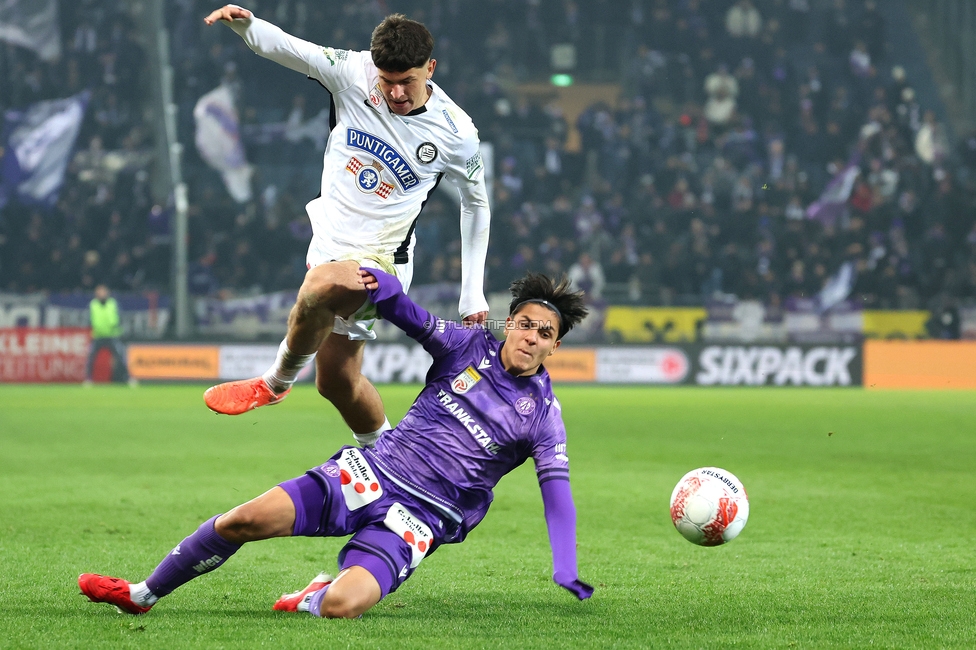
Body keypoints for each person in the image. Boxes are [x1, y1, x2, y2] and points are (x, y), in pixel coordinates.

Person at [79, 267, 593, 618]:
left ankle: (312, 595)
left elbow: (559, 497)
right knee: (243, 521)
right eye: (525, 323)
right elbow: (414, 319)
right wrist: (387, 289)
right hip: (373, 471)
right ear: (510, 325)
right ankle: (143, 594)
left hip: (422, 519)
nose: (530, 336)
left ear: (555, 345)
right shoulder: (467, 345)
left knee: (343, 608)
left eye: (544, 332)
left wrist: (565, 562)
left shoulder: (544, 416)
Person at [200, 6, 491, 449]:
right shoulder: (352, 72)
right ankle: (392, 461)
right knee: (336, 381)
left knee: (319, 287)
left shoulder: (456, 132)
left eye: (407, 82)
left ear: (430, 68)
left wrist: (472, 293)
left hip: (383, 259)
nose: (395, 92)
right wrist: (248, 26)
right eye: (386, 81)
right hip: (329, 241)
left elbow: (476, 205)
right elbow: (290, 49)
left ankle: (274, 383)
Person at [83, 284, 133, 386]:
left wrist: (118, 328)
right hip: (98, 336)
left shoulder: (113, 304)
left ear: (107, 293)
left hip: (112, 335)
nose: (101, 294)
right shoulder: (93, 305)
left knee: (121, 356)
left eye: (103, 291)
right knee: (91, 357)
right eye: (99, 292)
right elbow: (88, 319)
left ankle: (128, 378)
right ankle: (88, 379)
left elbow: (120, 317)